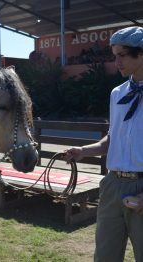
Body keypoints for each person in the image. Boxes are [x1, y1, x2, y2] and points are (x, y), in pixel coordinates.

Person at [64, 26, 143, 262]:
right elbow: (114, 137)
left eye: (122, 55)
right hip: (112, 187)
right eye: (114, 54)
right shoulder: (117, 94)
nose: (116, 61)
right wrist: (83, 151)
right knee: (105, 256)